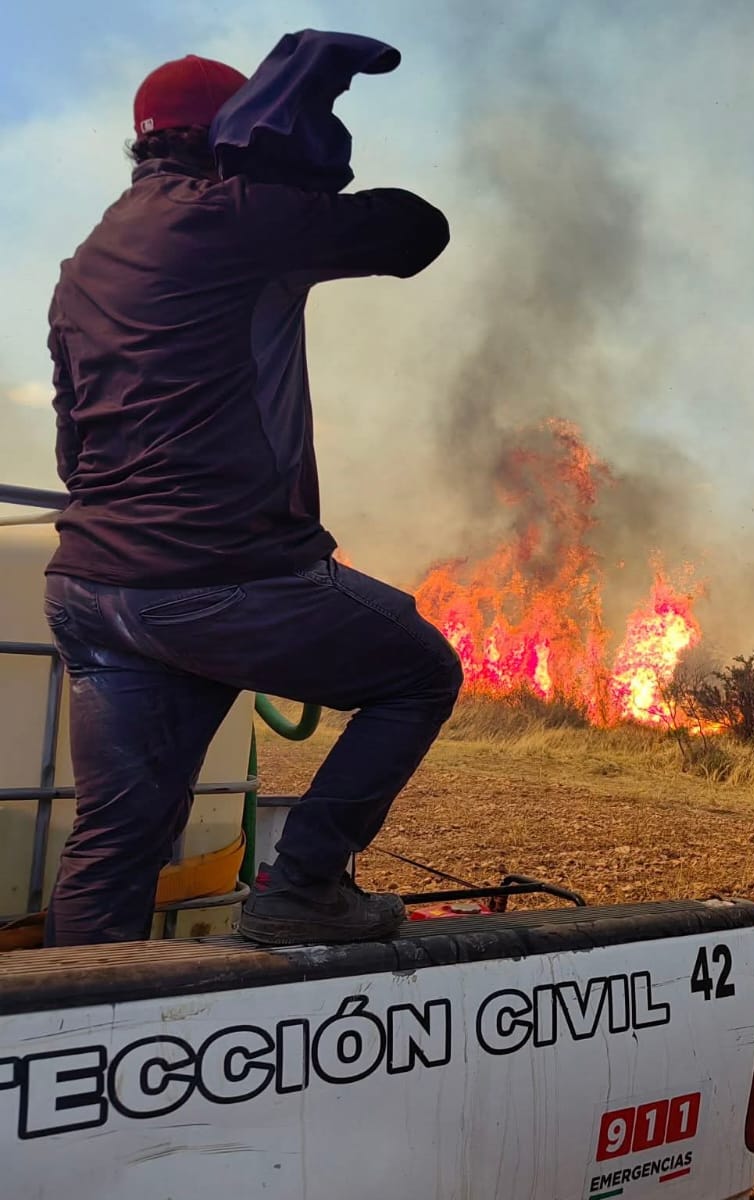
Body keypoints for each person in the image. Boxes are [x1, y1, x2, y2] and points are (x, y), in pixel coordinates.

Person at [42, 53, 461, 948]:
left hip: (92, 590)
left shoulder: (83, 266)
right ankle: (306, 884)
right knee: (420, 672)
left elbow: (72, 444)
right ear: (226, 134)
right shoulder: (237, 216)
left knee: (115, 842)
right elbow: (416, 230)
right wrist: (287, 167)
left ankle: (67, 1027)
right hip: (222, 576)